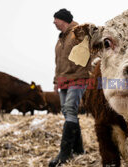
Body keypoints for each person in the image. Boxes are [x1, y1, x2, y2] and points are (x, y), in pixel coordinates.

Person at [49, 8, 91, 167]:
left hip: (77, 78)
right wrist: (55, 81)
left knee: (70, 110)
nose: (54, 22)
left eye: (56, 19)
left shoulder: (79, 33)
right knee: (67, 112)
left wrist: (87, 74)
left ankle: (64, 154)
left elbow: (90, 52)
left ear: (64, 19)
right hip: (63, 80)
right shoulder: (60, 39)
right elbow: (58, 63)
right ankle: (79, 150)